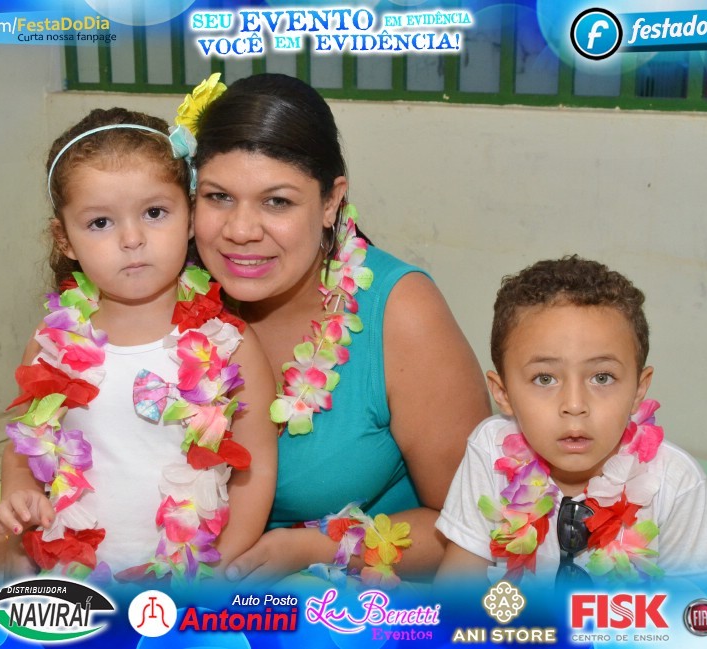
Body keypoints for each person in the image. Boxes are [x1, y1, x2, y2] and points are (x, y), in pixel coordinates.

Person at [0, 107, 277, 584]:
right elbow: (24, 449)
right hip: (66, 561)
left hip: (185, 572)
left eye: (154, 213)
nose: (132, 239)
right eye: (100, 223)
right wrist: (20, 497)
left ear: (191, 218)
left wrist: (208, 573)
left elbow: (255, 474)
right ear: (64, 239)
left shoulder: (231, 343)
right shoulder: (52, 342)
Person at [188, 73, 493, 586]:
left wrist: (318, 548)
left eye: (277, 201)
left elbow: (471, 527)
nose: (240, 231)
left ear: (331, 202)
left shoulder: (401, 313)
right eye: (218, 197)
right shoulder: (162, 293)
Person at [435, 255, 707, 585]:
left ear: (639, 389)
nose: (574, 405)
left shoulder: (676, 482)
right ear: (503, 393)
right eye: (544, 378)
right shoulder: (491, 449)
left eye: (602, 377)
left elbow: (693, 610)